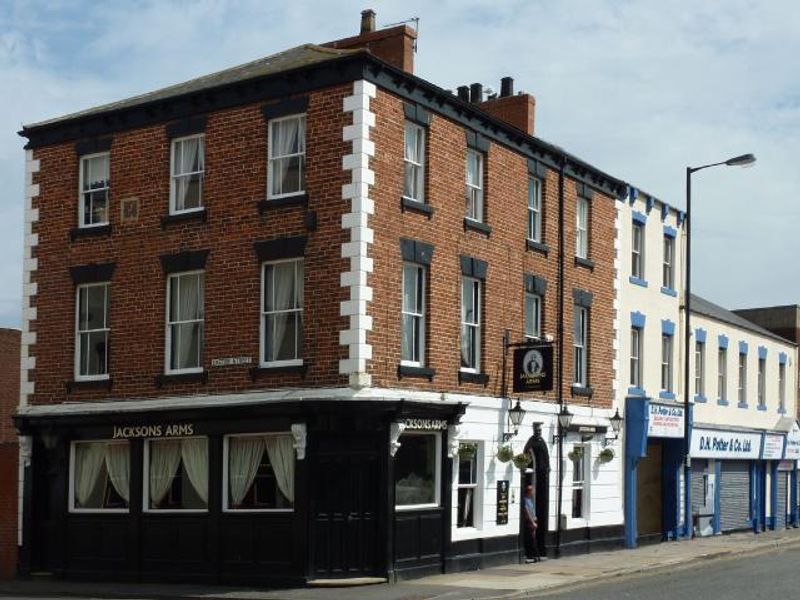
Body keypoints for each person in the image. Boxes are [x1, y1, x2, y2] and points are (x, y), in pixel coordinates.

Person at [523, 485, 540, 563]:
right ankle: (533, 555)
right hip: (529, 521)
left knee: (533, 538)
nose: (533, 492)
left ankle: (535, 555)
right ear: (529, 491)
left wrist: (535, 518)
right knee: (532, 539)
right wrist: (532, 522)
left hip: (533, 520)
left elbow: (531, 510)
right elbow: (527, 512)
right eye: (532, 490)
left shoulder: (530, 499)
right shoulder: (525, 500)